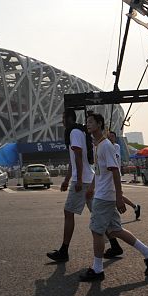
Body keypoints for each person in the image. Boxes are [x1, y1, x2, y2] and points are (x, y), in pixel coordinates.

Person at [79, 113, 148, 282]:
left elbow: (115, 171)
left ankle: (98, 270)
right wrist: (91, 187)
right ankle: (147, 252)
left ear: (99, 124)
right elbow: (100, 172)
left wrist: (119, 197)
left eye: (91, 122)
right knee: (115, 230)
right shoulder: (97, 145)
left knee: (96, 230)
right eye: (87, 122)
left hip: (105, 196)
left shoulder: (106, 145)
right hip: (102, 193)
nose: (88, 124)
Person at [46, 110, 95, 263]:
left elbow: (78, 156)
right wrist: (67, 179)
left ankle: (64, 251)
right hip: (87, 177)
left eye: (62, 118)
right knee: (98, 214)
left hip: (83, 180)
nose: (61, 122)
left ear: (68, 119)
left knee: (68, 212)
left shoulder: (73, 131)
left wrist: (78, 180)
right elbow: (73, 160)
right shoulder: (79, 131)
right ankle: (114, 244)